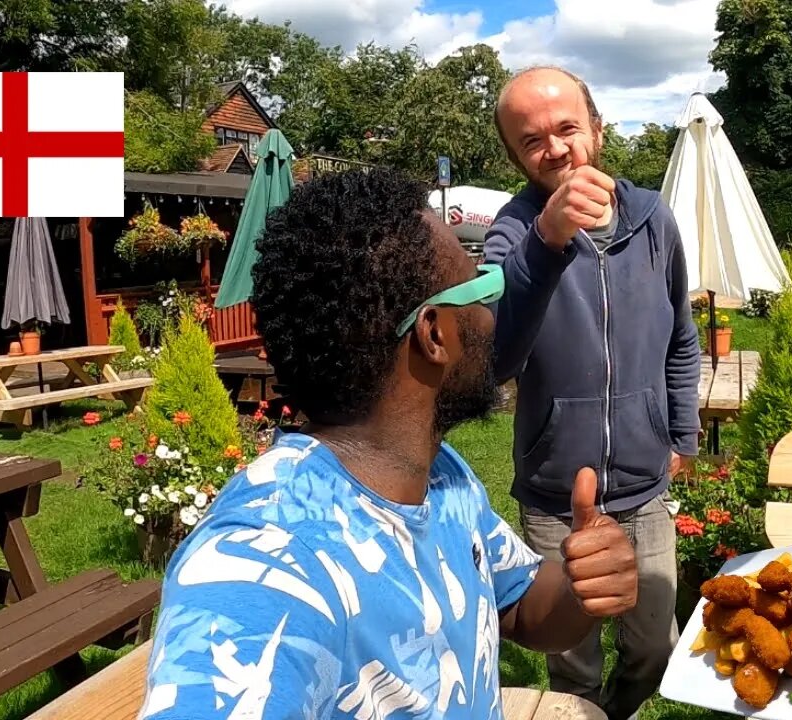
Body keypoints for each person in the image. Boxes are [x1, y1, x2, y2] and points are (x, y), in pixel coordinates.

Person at [141, 167, 639, 720]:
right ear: (433, 335)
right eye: (482, 290)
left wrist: (580, 584)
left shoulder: (439, 477)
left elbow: (521, 606)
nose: (491, 318)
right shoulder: (266, 564)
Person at [482, 66, 702, 719]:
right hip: (555, 496)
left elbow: (681, 340)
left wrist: (681, 434)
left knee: (656, 648)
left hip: (644, 489)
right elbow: (492, 359)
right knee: (572, 661)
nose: (554, 148)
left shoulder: (654, 221)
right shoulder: (515, 232)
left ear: (596, 130)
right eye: (531, 140)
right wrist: (546, 243)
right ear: (516, 157)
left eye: (566, 128)